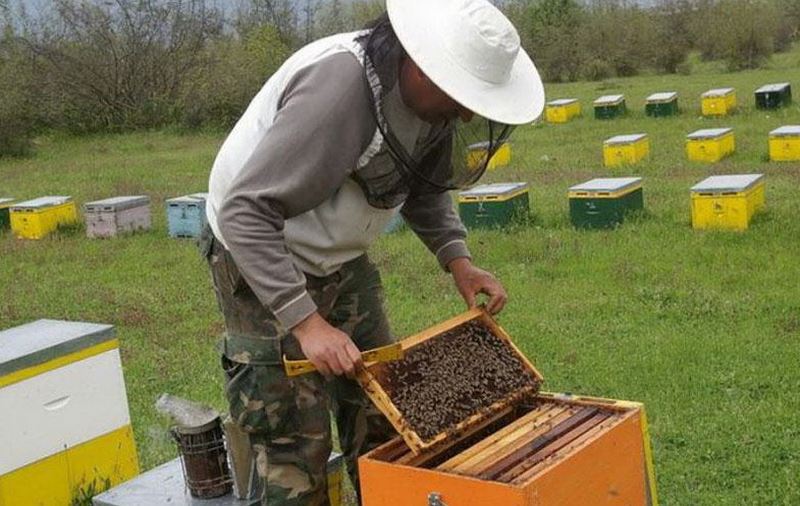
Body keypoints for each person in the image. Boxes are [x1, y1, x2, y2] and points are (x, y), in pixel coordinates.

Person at [200, 0, 544, 504]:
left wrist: (459, 261)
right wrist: (307, 323)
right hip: (261, 252)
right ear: (423, 63)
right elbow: (245, 212)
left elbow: (424, 185)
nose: (468, 111)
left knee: (383, 408)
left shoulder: (431, 103)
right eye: (462, 93)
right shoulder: (339, 91)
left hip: (340, 258)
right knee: (295, 440)